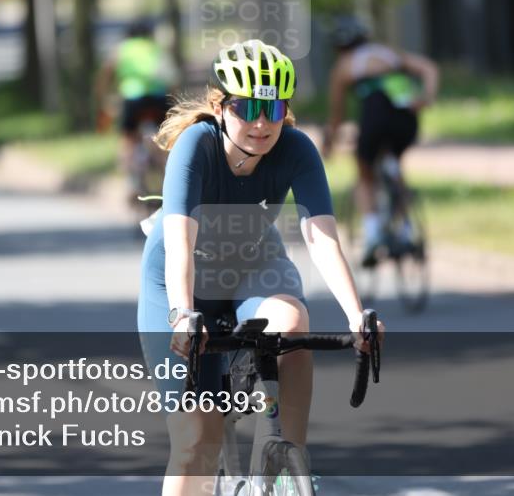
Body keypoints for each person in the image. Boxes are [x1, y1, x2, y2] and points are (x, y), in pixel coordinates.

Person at [138, 39, 383, 496]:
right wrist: (183, 314)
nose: (261, 123)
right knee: (197, 440)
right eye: (247, 107)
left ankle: (289, 463)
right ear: (220, 106)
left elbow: (321, 236)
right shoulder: (196, 145)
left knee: (292, 322)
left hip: (253, 261)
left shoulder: (296, 148)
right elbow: (180, 244)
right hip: (181, 277)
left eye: (273, 109)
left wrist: (357, 316)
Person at [321, 21, 439, 267]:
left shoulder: (344, 66)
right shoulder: (388, 53)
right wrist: (426, 97)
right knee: (393, 162)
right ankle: (405, 230)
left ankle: (373, 234)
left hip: (376, 116)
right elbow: (429, 68)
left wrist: (329, 143)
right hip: (406, 118)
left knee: (364, 171)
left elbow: (337, 116)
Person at [95, 20, 174, 198]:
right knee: (163, 140)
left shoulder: (122, 49)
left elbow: (106, 73)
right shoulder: (157, 49)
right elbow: (171, 79)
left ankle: (130, 183)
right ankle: (168, 176)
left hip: (132, 98)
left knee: (128, 139)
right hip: (158, 98)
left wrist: (103, 97)